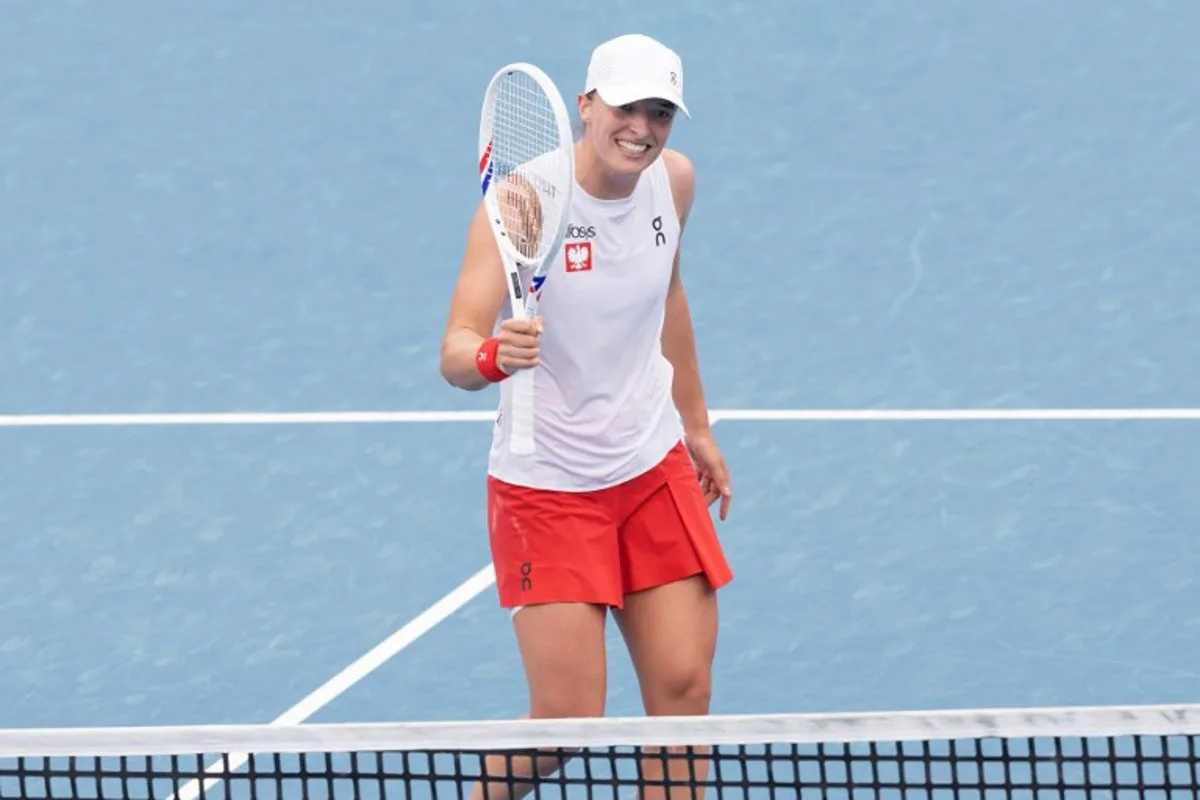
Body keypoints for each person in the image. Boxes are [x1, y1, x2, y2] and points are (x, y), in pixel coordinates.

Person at [440, 33, 733, 799]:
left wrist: (696, 425)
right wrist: (494, 357)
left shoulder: (675, 182)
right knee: (568, 721)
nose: (642, 126)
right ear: (586, 105)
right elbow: (455, 350)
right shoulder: (525, 201)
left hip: (649, 464)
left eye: (660, 111)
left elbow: (667, 295)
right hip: (549, 487)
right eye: (627, 107)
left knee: (683, 693)